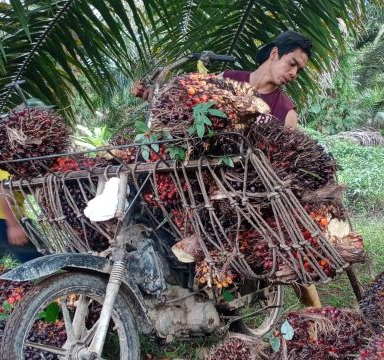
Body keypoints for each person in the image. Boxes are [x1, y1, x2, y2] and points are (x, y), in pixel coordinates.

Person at [131, 30, 323, 307]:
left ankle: (315, 310)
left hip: (247, 189)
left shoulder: (285, 112)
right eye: (291, 63)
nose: (294, 73)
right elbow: (189, 105)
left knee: (286, 244)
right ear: (274, 54)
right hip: (201, 173)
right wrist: (150, 95)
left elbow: (282, 160)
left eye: (299, 70)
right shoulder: (228, 80)